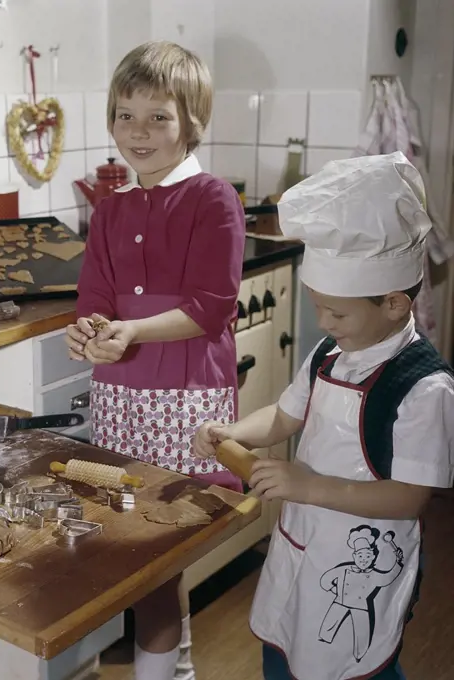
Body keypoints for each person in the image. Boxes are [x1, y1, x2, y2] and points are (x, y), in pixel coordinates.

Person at [194, 151, 454, 680]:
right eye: (318, 306)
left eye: (336, 312)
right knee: (285, 644)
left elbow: (409, 498)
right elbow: (285, 417)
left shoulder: (425, 388)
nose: (322, 321)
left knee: (355, 664)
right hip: (303, 542)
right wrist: (232, 430)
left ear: (395, 305)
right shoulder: (328, 355)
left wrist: (306, 485)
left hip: (364, 561)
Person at [64, 40, 246, 680]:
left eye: (158, 116)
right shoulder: (110, 209)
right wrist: (87, 332)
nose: (137, 132)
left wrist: (130, 330)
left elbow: (213, 306)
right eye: (124, 115)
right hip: (121, 398)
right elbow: (94, 298)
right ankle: (177, 667)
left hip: (184, 399)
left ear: (191, 122)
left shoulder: (212, 199)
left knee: (160, 553)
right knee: (132, 552)